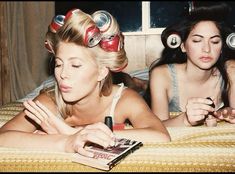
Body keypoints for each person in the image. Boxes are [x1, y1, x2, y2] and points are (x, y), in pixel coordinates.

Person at [0, 8, 170, 157]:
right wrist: (66, 142)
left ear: (101, 71)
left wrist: (76, 132)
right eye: (59, 64)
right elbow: (3, 137)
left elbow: (160, 135)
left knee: (135, 84)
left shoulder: (124, 100)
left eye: (75, 65)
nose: (62, 74)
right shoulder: (49, 102)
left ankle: (139, 82)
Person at [144, 2, 235, 127]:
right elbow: (156, 128)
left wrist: (229, 114)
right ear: (183, 46)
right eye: (197, 40)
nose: (207, 49)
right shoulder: (162, 75)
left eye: (214, 41)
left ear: (222, 47)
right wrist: (185, 119)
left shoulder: (231, 69)